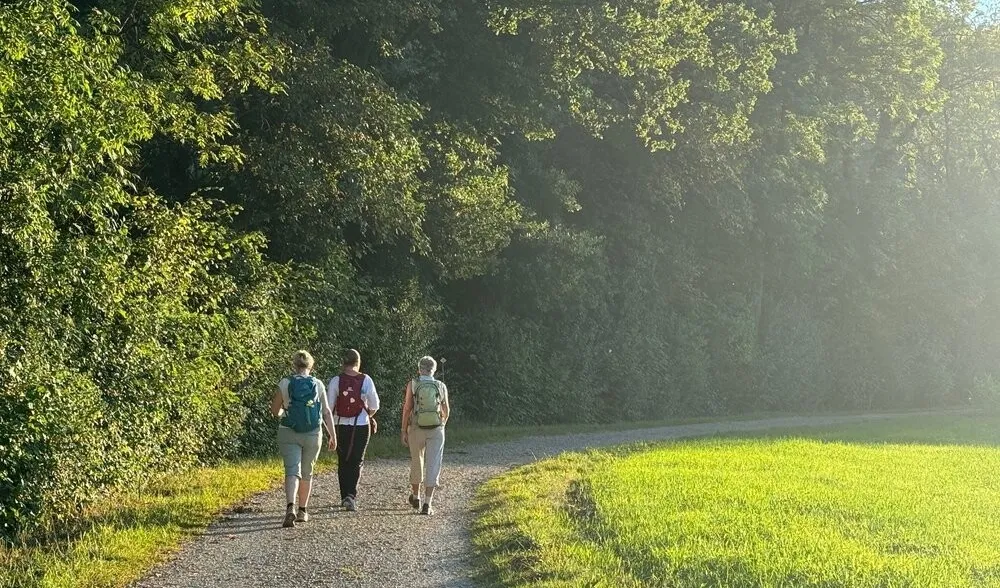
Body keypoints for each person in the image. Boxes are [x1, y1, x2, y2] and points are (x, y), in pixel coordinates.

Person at [270, 350, 336, 528]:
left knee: (292, 470)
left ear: (294, 365)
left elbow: (275, 410)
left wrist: (284, 412)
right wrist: (332, 435)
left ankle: (290, 507)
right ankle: (302, 510)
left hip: (288, 430)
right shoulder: (318, 384)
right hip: (313, 433)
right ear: (311, 365)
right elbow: (327, 412)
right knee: (307, 471)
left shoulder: (285, 383)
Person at [328, 349, 380, 511]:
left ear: (343, 363)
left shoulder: (336, 380)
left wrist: (330, 430)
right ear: (358, 363)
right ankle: (351, 495)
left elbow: (328, 408)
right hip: (361, 425)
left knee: (343, 460)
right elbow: (375, 405)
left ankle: (345, 495)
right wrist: (367, 415)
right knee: (357, 460)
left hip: (339, 424)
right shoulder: (366, 380)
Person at [400, 355, 450, 515]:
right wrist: (442, 424)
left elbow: (407, 408)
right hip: (436, 428)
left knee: (417, 461)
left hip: (416, 427)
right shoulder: (441, 385)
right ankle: (428, 504)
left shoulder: (413, 384)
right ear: (433, 370)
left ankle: (416, 497)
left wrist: (403, 430)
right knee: (433, 464)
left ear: (419, 369)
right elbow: (446, 410)